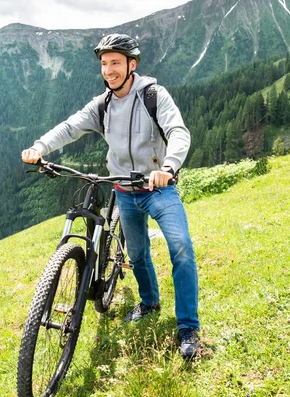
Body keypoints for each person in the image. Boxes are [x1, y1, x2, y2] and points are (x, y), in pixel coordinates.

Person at [21, 34, 201, 358]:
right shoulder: (103, 103)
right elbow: (71, 126)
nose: (109, 70)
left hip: (158, 187)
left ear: (131, 65)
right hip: (123, 191)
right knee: (138, 253)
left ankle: (188, 328)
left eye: (115, 63)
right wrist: (40, 147)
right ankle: (149, 302)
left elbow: (178, 132)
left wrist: (169, 166)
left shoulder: (153, 96)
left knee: (182, 249)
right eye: (104, 64)